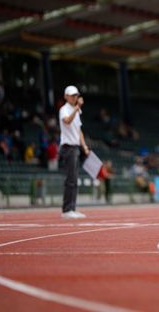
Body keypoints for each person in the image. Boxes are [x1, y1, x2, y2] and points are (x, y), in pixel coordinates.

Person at [59, 85, 89, 219]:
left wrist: (84, 146)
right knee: (70, 179)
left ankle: (72, 208)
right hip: (68, 147)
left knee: (74, 179)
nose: (74, 97)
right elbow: (67, 121)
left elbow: (78, 130)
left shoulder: (76, 111)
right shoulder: (64, 109)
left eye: (76, 95)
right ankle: (67, 209)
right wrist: (77, 108)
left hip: (75, 147)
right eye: (72, 95)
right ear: (66, 96)